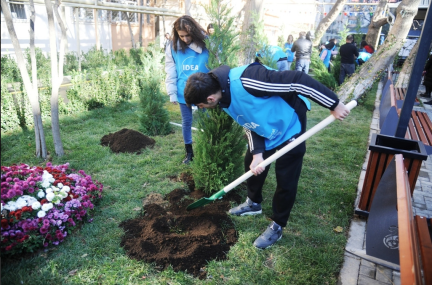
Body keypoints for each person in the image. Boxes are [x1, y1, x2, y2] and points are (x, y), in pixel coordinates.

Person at [183, 61, 350, 249]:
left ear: (210, 99)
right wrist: (257, 153)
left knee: (286, 175)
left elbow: (297, 80)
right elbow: (247, 120)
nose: (203, 109)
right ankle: (253, 203)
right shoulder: (223, 95)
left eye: (201, 105)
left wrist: (333, 104)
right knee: (252, 163)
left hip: (289, 120)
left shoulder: (249, 80)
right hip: (264, 124)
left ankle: (278, 224)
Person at [165, 15, 209, 164]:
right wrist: (171, 92)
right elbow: (170, 69)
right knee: (186, 121)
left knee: (207, 120)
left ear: (194, 31)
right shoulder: (173, 47)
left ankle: (208, 147)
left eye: (188, 35)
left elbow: (217, 62)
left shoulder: (207, 44)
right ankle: (189, 153)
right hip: (184, 90)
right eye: (181, 36)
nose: (185, 39)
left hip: (203, 90)